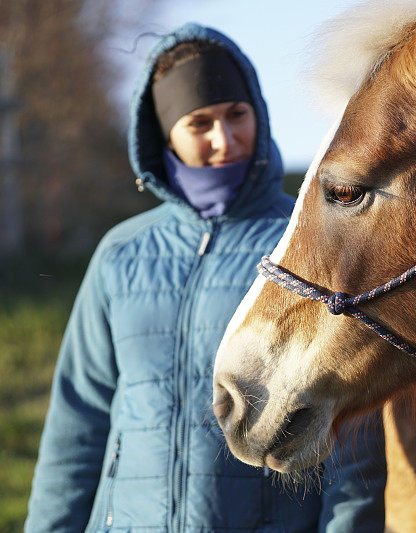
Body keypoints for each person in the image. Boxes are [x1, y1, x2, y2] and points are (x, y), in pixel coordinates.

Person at [25, 23, 386, 532]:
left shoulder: (306, 246)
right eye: (200, 123)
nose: (226, 138)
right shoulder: (121, 255)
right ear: (164, 133)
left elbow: (354, 445)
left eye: (236, 115)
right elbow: (76, 426)